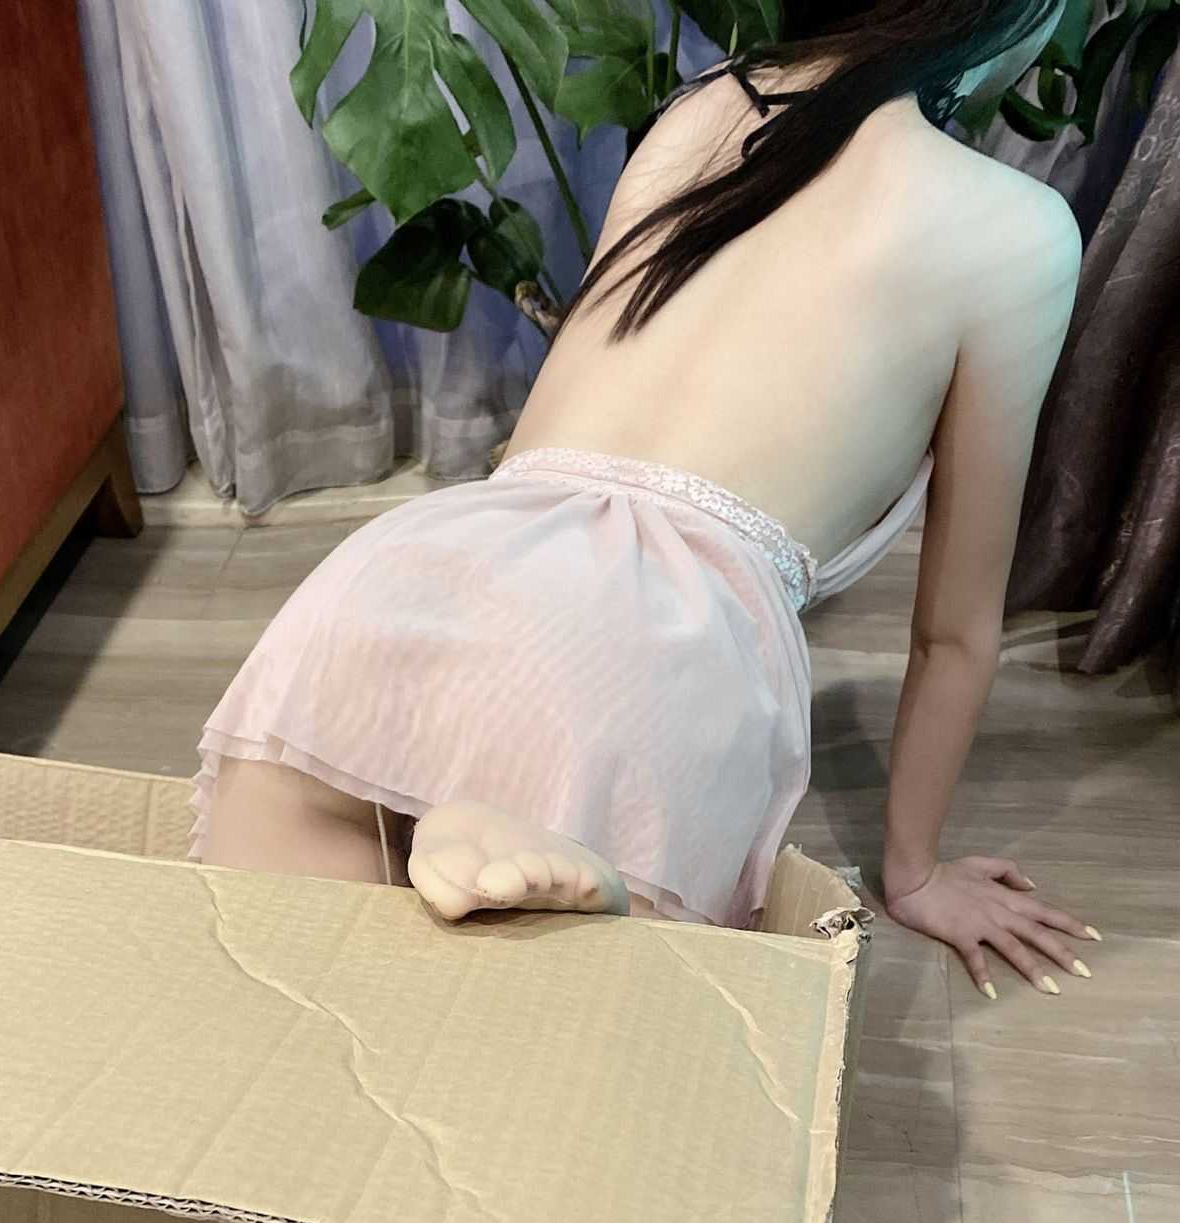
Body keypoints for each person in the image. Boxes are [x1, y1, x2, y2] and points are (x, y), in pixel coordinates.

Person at [194, 0, 1101, 998]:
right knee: (545, 1038)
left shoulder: (706, 104)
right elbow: (954, 636)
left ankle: (445, 833)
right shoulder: (1019, 233)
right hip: (643, 657)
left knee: (284, 996)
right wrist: (915, 875)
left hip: (414, 570)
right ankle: (519, 858)